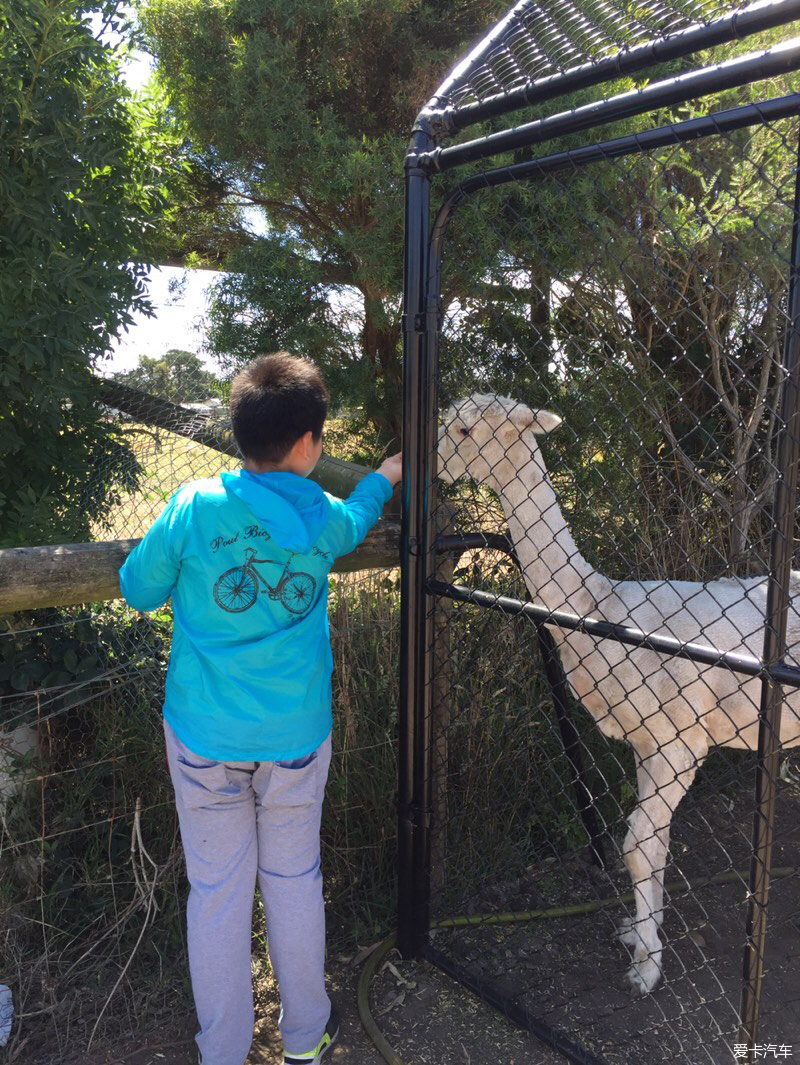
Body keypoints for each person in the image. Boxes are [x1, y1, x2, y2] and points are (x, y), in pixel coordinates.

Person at [118, 352, 402, 1065]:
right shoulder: (323, 516)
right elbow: (361, 510)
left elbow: (139, 589)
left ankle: (225, 1049)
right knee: (293, 880)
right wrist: (387, 476)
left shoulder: (193, 504)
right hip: (295, 739)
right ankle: (305, 1036)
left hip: (205, 735)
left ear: (242, 437)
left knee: (216, 892)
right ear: (309, 442)